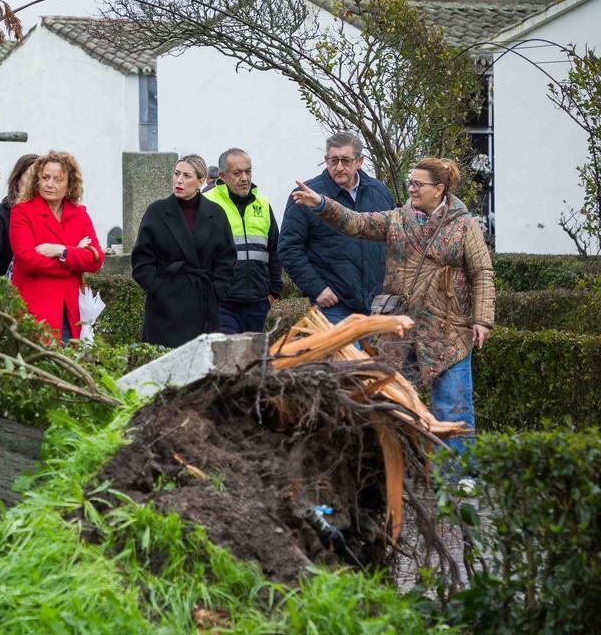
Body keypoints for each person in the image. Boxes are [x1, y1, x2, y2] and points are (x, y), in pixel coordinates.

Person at [291, 157, 494, 455]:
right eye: (409, 183)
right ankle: (397, 469)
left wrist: (482, 320)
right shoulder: (397, 219)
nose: (410, 189)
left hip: (450, 332)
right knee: (389, 402)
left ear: (438, 189)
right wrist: (321, 203)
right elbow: (355, 223)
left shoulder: (464, 226)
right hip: (400, 331)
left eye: (417, 184)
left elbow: (482, 273)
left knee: (453, 406)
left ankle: (458, 476)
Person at [279, 131, 396, 325]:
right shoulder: (307, 196)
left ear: (360, 161)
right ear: (326, 160)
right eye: (333, 161)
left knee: (378, 356)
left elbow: (394, 241)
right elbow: (289, 249)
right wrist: (317, 288)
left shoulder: (379, 192)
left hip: (377, 302)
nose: (339, 167)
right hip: (334, 302)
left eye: (345, 160)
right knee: (348, 356)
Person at [132, 154, 235, 348]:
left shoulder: (216, 214)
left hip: (203, 303)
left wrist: (216, 291)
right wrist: (158, 289)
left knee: (199, 369)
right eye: (176, 173)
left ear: (201, 181)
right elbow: (141, 261)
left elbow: (226, 258)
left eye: (187, 176)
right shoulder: (157, 211)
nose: (179, 180)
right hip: (164, 308)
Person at [8, 151, 103, 340]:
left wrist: (61, 251)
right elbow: (28, 260)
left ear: (69, 184)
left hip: (70, 310)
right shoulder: (22, 212)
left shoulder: (79, 215)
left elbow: (96, 259)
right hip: (34, 308)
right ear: (37, 180)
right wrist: (73, 261)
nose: (49, 184)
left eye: (57, 179)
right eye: (45, 178)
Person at [204, 148, 282, 333]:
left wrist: (273, 292)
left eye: (248, 171)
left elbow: (275, 250)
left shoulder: (262, 205)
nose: (245, 178)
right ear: (222, 176)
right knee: (229, 356)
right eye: (237, 173)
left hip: (258, 303)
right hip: (222, 304)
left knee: (255, 359)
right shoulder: (206, 204)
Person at [0, 153, 38, 276]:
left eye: (39, 178)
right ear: (17, 180)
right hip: (7, 291)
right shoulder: (0, 214)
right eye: (30, 176)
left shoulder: (48, 214)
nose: (34, 183)